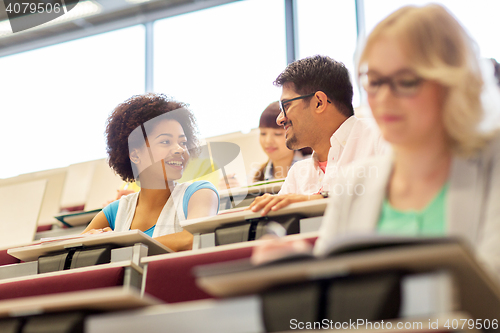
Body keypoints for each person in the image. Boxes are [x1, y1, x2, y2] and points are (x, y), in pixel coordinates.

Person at [312, 4, 500, 279]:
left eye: (406, 81)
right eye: (374, 81)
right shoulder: (353, 184)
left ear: (452, 83)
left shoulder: (493, 166)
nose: (384, 98)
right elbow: (328, 295)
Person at [248, 55, 386, 216]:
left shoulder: (381, 138)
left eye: (286, 106)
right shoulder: (298, 174)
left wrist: (314, 200)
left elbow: (401, 193)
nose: (280, 119)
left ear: (319, 102)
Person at [83, 93, 219, 252]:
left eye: (183, 142)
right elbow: (72, 252)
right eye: (165, 141)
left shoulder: (200, 193)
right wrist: (91, 241)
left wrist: (116, 246)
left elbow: (193, 238)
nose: (180, 149)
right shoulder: (115, 211)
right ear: (135, 154)